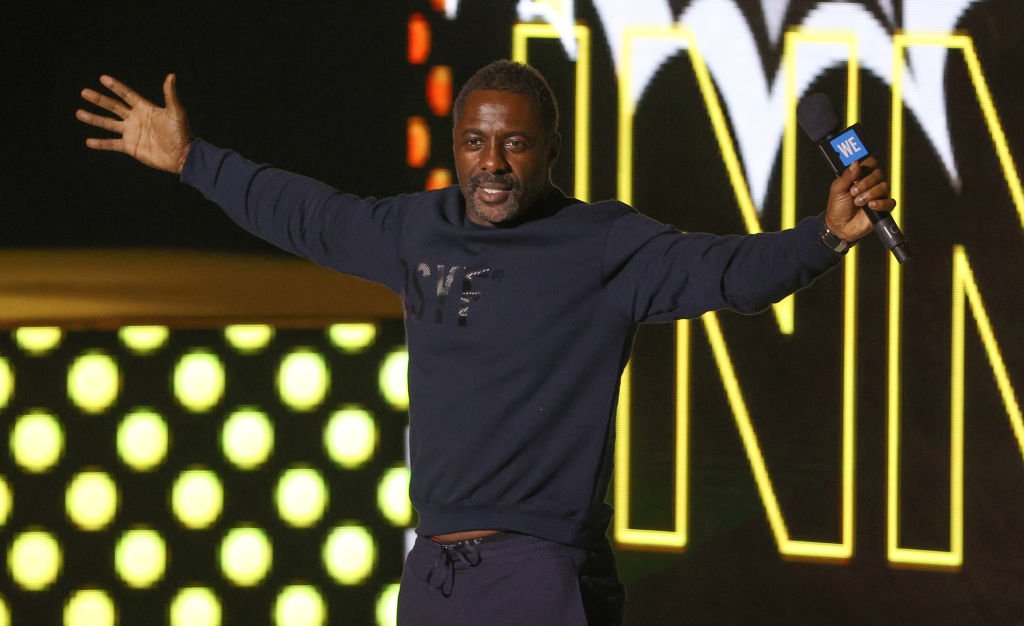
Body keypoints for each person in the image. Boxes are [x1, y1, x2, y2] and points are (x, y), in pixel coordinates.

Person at [77, 60, 895, 625]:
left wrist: (821, 236)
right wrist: (191, 160)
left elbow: (725, 272)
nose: (492, 163)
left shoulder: (599, 244)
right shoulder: (418, 227)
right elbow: (310, 214)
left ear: (549, 152)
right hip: (432, 574)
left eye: (514, 143)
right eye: (475, 142)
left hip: (539, 576)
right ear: (456, 145)